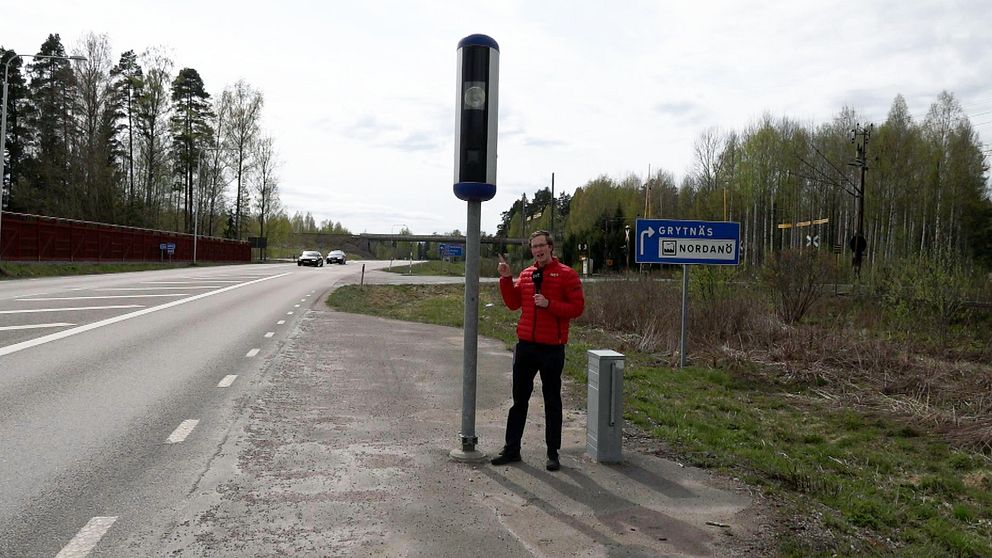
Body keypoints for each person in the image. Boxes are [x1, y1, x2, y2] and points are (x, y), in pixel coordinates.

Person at [491, 230, 585, 471]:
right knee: (518, 400)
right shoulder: (526, 274)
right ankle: (512, 449)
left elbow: (577, 308)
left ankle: (553, 453)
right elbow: (513, 304)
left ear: (551, 247)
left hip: (552, 349)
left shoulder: (567, 275)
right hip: (526, 347)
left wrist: (550, 304)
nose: (538, 250)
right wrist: (506, 278)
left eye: (542, 245)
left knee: (552, 400)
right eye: (534, 246)